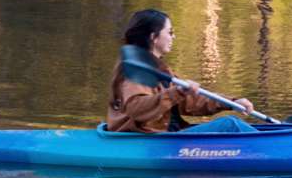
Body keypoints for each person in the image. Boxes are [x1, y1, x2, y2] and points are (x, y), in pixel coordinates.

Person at [106, 9, 255, 132]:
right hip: (152, 140)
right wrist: (176, 92)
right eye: (170, 32)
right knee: (230, 125)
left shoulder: (160, 69)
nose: (174, 37)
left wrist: (232, 102)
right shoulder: (135, 72)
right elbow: (137, 109)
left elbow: (191, 102)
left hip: (170, 134)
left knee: (232, 124)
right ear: (154, 37)